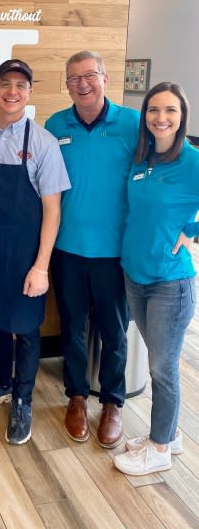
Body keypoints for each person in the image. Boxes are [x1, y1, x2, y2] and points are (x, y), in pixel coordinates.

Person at [0, 59, 70, 444]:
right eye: (5, 83)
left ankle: (22, 398)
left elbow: (52, 209)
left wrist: (41, 266)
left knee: (26, 329)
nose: (13, 91)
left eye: (21, 85)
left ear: (29, 93)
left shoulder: (43, 143)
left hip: (28, 252)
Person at [45, 51, 139, 449]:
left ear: (105, 77)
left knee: (114, 332)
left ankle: (113, 403)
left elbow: (172, 168)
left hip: (116, 253)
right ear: (66, 85)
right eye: (73, 79)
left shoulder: (133, 124)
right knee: (73, 328)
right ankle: (78, 398)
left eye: (89, 76)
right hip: (67, 249)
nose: (82, 84)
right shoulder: (54, 125)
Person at [114, 82, 198, 476]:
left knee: (162, 369)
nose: (160, 118)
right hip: (135, 275)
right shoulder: (141, 159)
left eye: (170, 111)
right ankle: (170, 434)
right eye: (153, 110)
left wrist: (193, 228)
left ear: (182, 118)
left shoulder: (192, 161)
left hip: (170, 283)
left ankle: (160, 447)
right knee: (157, 363)